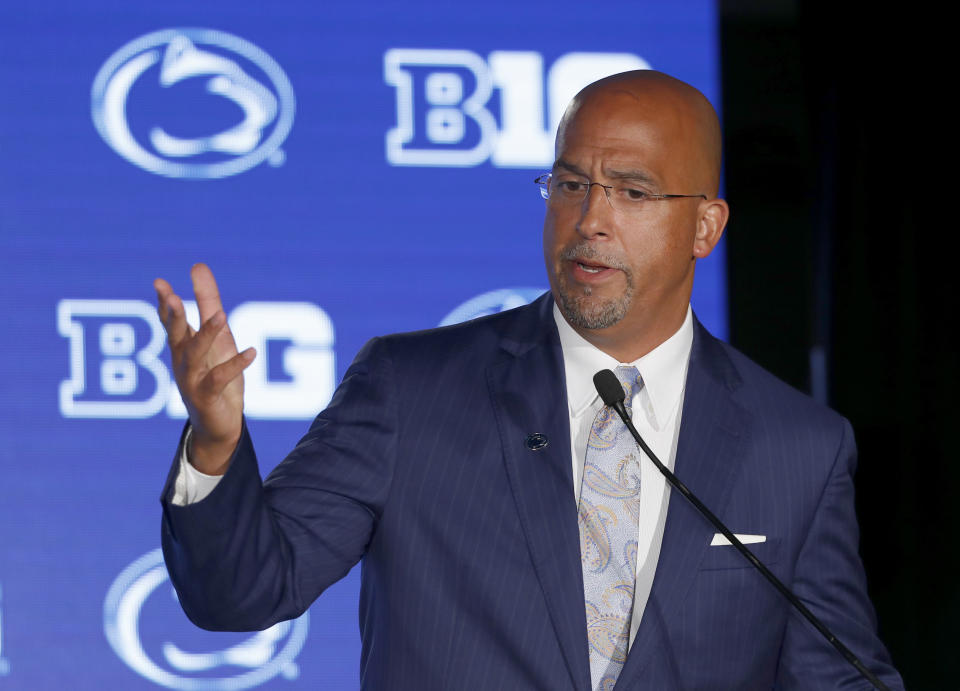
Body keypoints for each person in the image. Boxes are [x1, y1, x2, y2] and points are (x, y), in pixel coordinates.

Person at [155, 71, 904, 690]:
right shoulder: (408, 391)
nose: (590, 220)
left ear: (706, 226)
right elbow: (240, 591)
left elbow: (840, 675)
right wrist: (216, 446)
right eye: (572, 184)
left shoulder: (799, 447)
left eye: (632, 192)